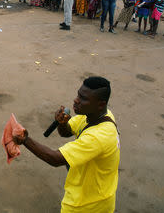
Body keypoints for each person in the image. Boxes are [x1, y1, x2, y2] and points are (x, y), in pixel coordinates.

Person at [13, 76, 119, 213]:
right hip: (97, 195)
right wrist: (62, 123)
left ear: (100, 104)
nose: (76, 100)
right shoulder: (94, 115)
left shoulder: (99, 137)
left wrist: (25, 140)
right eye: (78, 95)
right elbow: (67, 132)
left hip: (86, 205)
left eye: (83, 99)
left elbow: (55, 159)